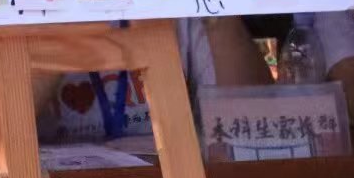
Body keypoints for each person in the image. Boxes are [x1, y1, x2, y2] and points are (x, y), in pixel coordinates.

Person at [36, 17, 269, 143]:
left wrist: (218, 7)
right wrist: (63, 19)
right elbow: (12, 141)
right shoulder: (27, 2)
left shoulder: (177, 2)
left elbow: (253, 128)